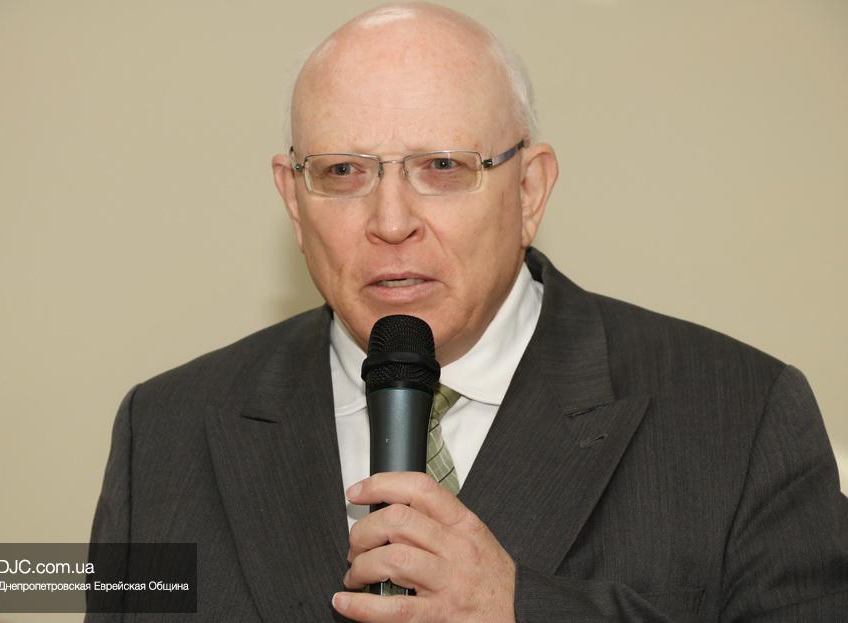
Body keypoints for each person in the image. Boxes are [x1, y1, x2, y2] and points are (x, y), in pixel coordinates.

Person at [88, 3, 848, 621]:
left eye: (443, 167)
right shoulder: (163, 431)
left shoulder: (740, 416)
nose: (391, 221)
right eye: (343, 171)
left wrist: (524, 610)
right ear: (293, 198)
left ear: (530, 190)